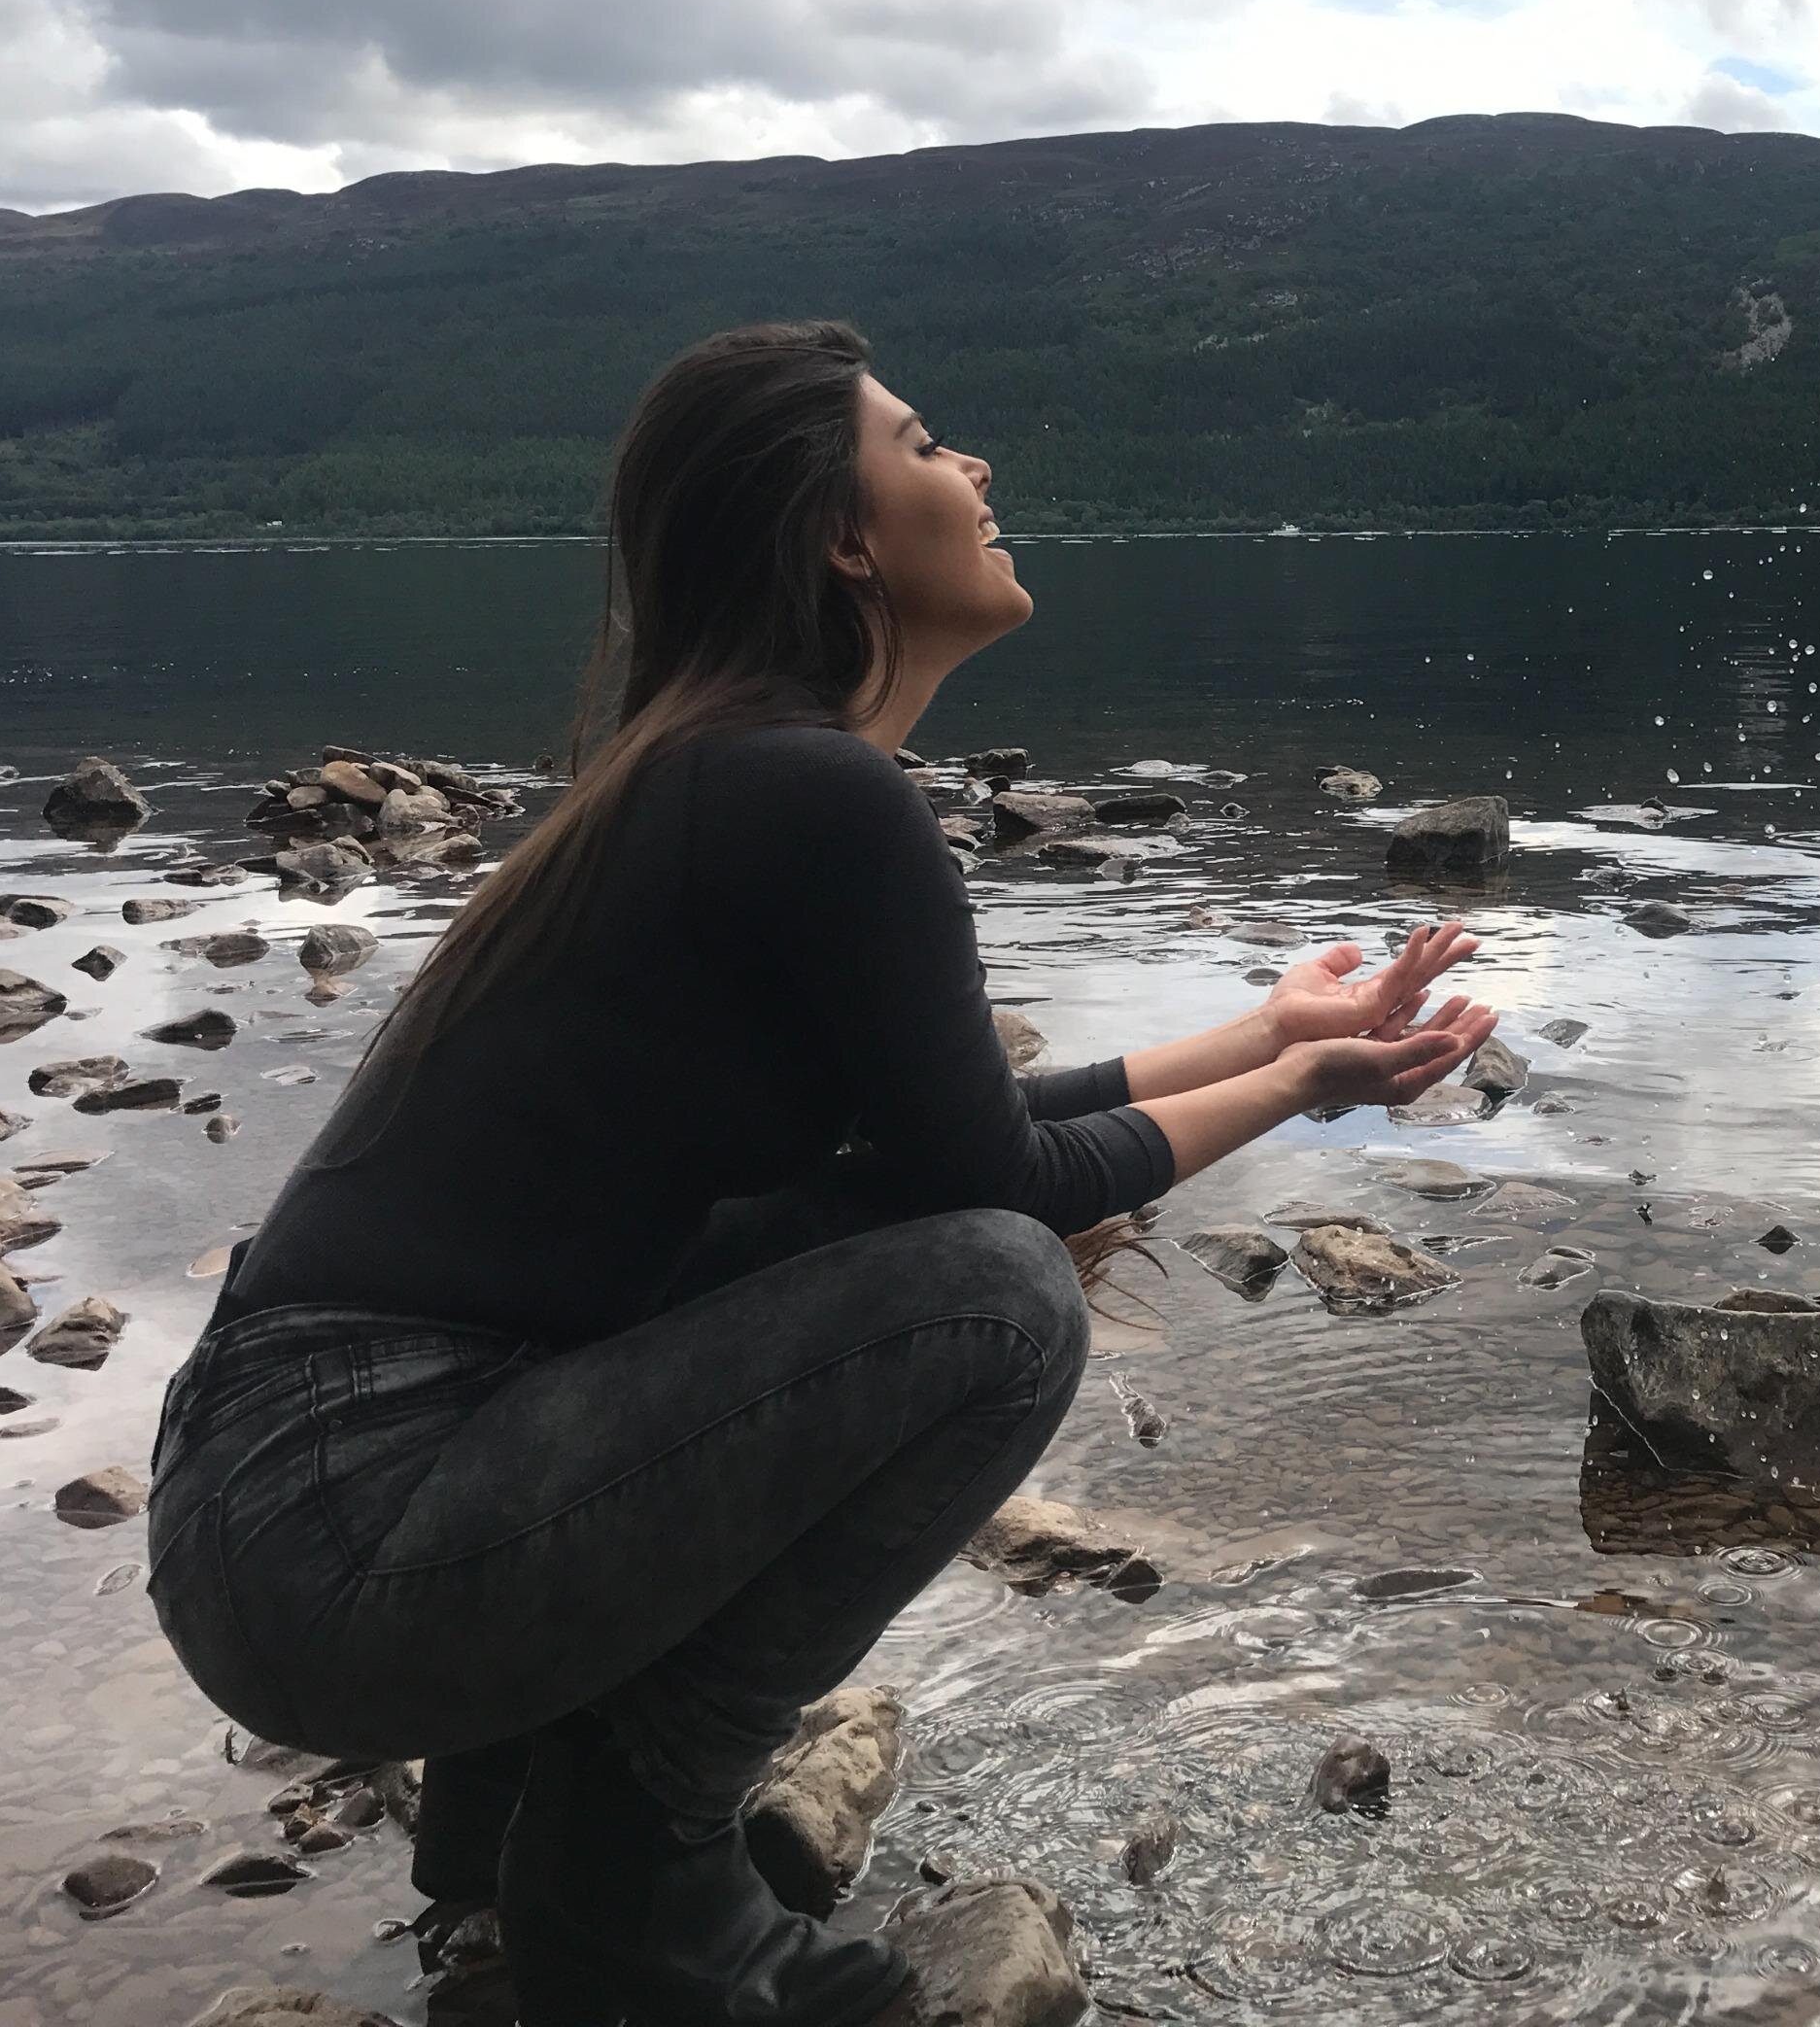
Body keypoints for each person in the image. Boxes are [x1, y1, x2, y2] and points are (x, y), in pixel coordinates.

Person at [143, 320, 1497, 2027]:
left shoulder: (719, 774)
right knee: (1000, 1300)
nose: (976, 468)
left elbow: (941, 1140)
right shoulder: (815, 796)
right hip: (346, 1538)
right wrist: (1301, 1085)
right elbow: (1006, 1180)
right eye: (926, 444)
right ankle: (636, 1872)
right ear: (844, 539)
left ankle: (511, 1834)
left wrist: (1262, 1036)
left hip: (282, 1517)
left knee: (848, 1235)